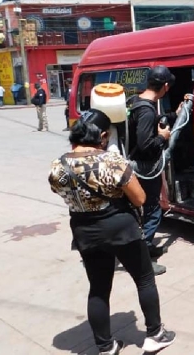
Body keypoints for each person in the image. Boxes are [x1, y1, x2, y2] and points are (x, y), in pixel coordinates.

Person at [47, 109, 176, 355]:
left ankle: (106, 347)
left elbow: (61, 193)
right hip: (121, 229)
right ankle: (155, 335)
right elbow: (139, 199)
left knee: (98, 288)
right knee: (144, 279)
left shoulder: (58, 166)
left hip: (85, 232)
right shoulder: (112, 162)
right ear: (103, 136)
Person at [126, 65, 181, 275]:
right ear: (165, 86)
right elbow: (145, 144)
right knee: (152, 211)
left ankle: (147, 248)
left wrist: (172, 115)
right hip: (145, 167)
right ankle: (142, 259)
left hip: (136, 165)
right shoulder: (147, 110)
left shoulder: (136, 101)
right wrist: (163, 138)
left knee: (144, 209)